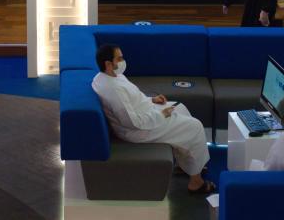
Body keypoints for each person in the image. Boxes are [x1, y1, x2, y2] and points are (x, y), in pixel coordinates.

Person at [91, 44, 216, 194]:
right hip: (139, 130)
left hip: (145, 113)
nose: (123, 61)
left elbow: (133, 99)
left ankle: (185, 165)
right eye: (119, 58)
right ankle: (196, 182)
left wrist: (152, 100)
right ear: (108, 64)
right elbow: (132, 122)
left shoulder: (106, 76)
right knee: (195, 126)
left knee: (180, 107)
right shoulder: (113, 89)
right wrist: (162, 114)